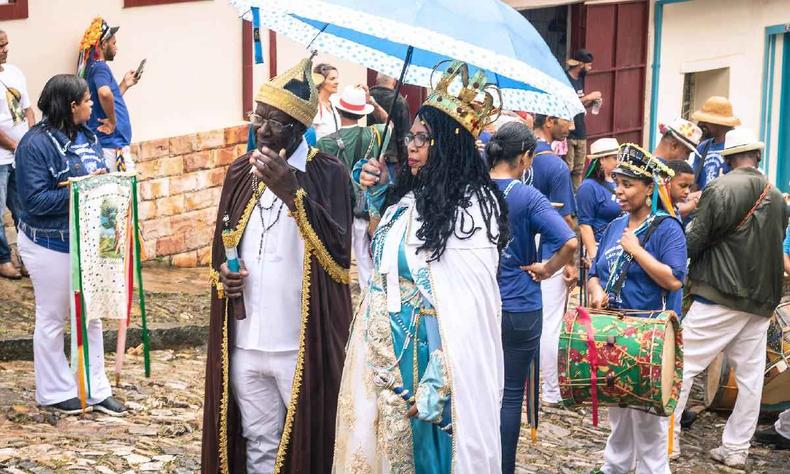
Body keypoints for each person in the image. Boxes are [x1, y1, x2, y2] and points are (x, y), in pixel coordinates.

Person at [333, 61, 507, 472]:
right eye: (410, 136)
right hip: (380, 347)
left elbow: (470, 308)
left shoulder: (472, 211)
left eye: (423, 140)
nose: (411, 146)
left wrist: (443, 371)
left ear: (448, 144)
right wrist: (375, 201)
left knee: (423, 455)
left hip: (423, 353)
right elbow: (386, 261)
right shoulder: (414, 196)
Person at [201, 57, 353, 473]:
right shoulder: (239, 172)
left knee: (313, 443)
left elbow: (339, 256)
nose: (262, 130)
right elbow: (220, 252)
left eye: (276, 122)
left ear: (300, 128)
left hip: (300, 344)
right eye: (258, 117)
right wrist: (225, 277)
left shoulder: (328, 173)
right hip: (246, 341)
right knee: (258, 444)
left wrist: (291, 191)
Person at [671, 128, 787, 469]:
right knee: (751, 379)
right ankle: (736, 449)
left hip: (720, 294)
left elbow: (694, 240)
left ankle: (667, 441)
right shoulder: (778, 196)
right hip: (761, 299)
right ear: (757, 157)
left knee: (681, 364)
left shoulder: (720, 187)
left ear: (729, 158)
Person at [14, 74, 126, 416]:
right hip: (50, 244)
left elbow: (96, 184)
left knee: (91, 316)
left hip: (89, 240)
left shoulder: (88, 135)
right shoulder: (33, 145)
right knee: (52, 317)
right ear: (71, 105)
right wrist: (79, 190)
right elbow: (34, 201)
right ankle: (54, 390)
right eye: (87, 101)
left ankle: (94, 389)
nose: (93, 105)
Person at [588, 143, 687, 474]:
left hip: (650, 338)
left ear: (649, 189)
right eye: (617, 183)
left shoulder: (667, 228)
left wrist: (638, 250)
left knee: (649, 427)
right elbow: (594, 272)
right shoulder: (615, 226)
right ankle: (613, 469)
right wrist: (596, 290)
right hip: (614, 334)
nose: (619, 191)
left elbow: (674, 279)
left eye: (628, 184)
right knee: (619, 416)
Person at [487, 121, 577, 474]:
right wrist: (548, 269)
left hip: (479, 302)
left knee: (478, 386)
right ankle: (503, 467)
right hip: (520, 303)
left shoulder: (470, 189)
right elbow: (568, 240)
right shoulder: (527, 196)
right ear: (525, 157)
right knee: (511, 393)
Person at [528, 113, 578, 406]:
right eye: (565, 120)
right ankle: (550, 389)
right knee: (550, 323)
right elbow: (566, 220)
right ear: (548, 121)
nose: (570, 127)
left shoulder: (510, 157)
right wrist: (570, 260)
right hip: (550, 252)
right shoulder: (556, 166)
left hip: (519, 250)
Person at [317, 85, 387, 291]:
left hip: (338, 206)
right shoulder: (375, 134)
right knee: (365, 253)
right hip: (366, 203)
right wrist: (372, 102)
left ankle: (336, 291)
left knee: (337, 252)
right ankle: (369, 294)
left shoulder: (324, 143)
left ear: (338, 110)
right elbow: (388, 122)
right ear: (361, 112)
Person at [77, 17, 141, 174]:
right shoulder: (100, 67)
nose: (116, 47)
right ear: (103, 44)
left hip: (110, 145)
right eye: (113, 43)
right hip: (111, 146)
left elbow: (105, 99)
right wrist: (113, 122)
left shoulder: (92, 67)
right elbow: (104, 93)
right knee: (126, 195)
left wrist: (125, 84)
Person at [0, 29, 34, 279]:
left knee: (22, 209)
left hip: (20, 156)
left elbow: (28, 109)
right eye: (0, 46)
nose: (5, 49)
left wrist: (32, 139)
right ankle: (3, 259)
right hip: (2, 158)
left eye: (6, 44)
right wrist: (14, 145)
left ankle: (26, 256)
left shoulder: (15, 72)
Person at [577, 137, 621, 266]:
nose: (619, 162)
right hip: (599, 248)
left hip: (619, 246)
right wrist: (594, 258)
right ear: (602, 160)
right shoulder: (588, 187)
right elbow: (585, 225)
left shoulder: (618, 182)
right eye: (615, 158)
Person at [565, 48, 602, 189]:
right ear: (581, 65)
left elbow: (579, 105)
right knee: (568, 168)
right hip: (568, 131)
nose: (590, 68)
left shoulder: (580, 80)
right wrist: (588, 97)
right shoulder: (566, 79)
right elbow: (569, 103)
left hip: (581, 130)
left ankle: (576, 196)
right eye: (589, 65)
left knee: (579, 169)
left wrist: (592, 102)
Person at [691, 96, 741, 190]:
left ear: (718, 122)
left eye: (706, 120)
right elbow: (694, 182)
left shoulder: (736, 149)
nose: (701, 124)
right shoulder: (702, 148)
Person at [368, 72, 411, 170]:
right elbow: (404, 134)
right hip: (390, 158)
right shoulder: (399, 101)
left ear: (377, 80)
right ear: (394, 81)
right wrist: (405, 163)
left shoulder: (367, 98)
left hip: (369, 153)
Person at [312, 62, 341, 140]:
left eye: (336, 78)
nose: (337, 82)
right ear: (321, 81)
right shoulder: (315, 105)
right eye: (332, 79)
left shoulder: (334, 102)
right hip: (320, 150)